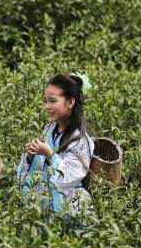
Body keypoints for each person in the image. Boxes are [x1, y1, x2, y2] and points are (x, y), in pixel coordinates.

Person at [17, 72, 94, 224]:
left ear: (70, 103)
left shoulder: (81, 140)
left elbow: (73, 175)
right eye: (45, 101)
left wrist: (50, 155)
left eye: (53, 101)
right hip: (45, 205)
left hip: (71, 207)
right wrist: (31, 156)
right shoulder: (49, 130)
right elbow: (37, 167)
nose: (47, 106)